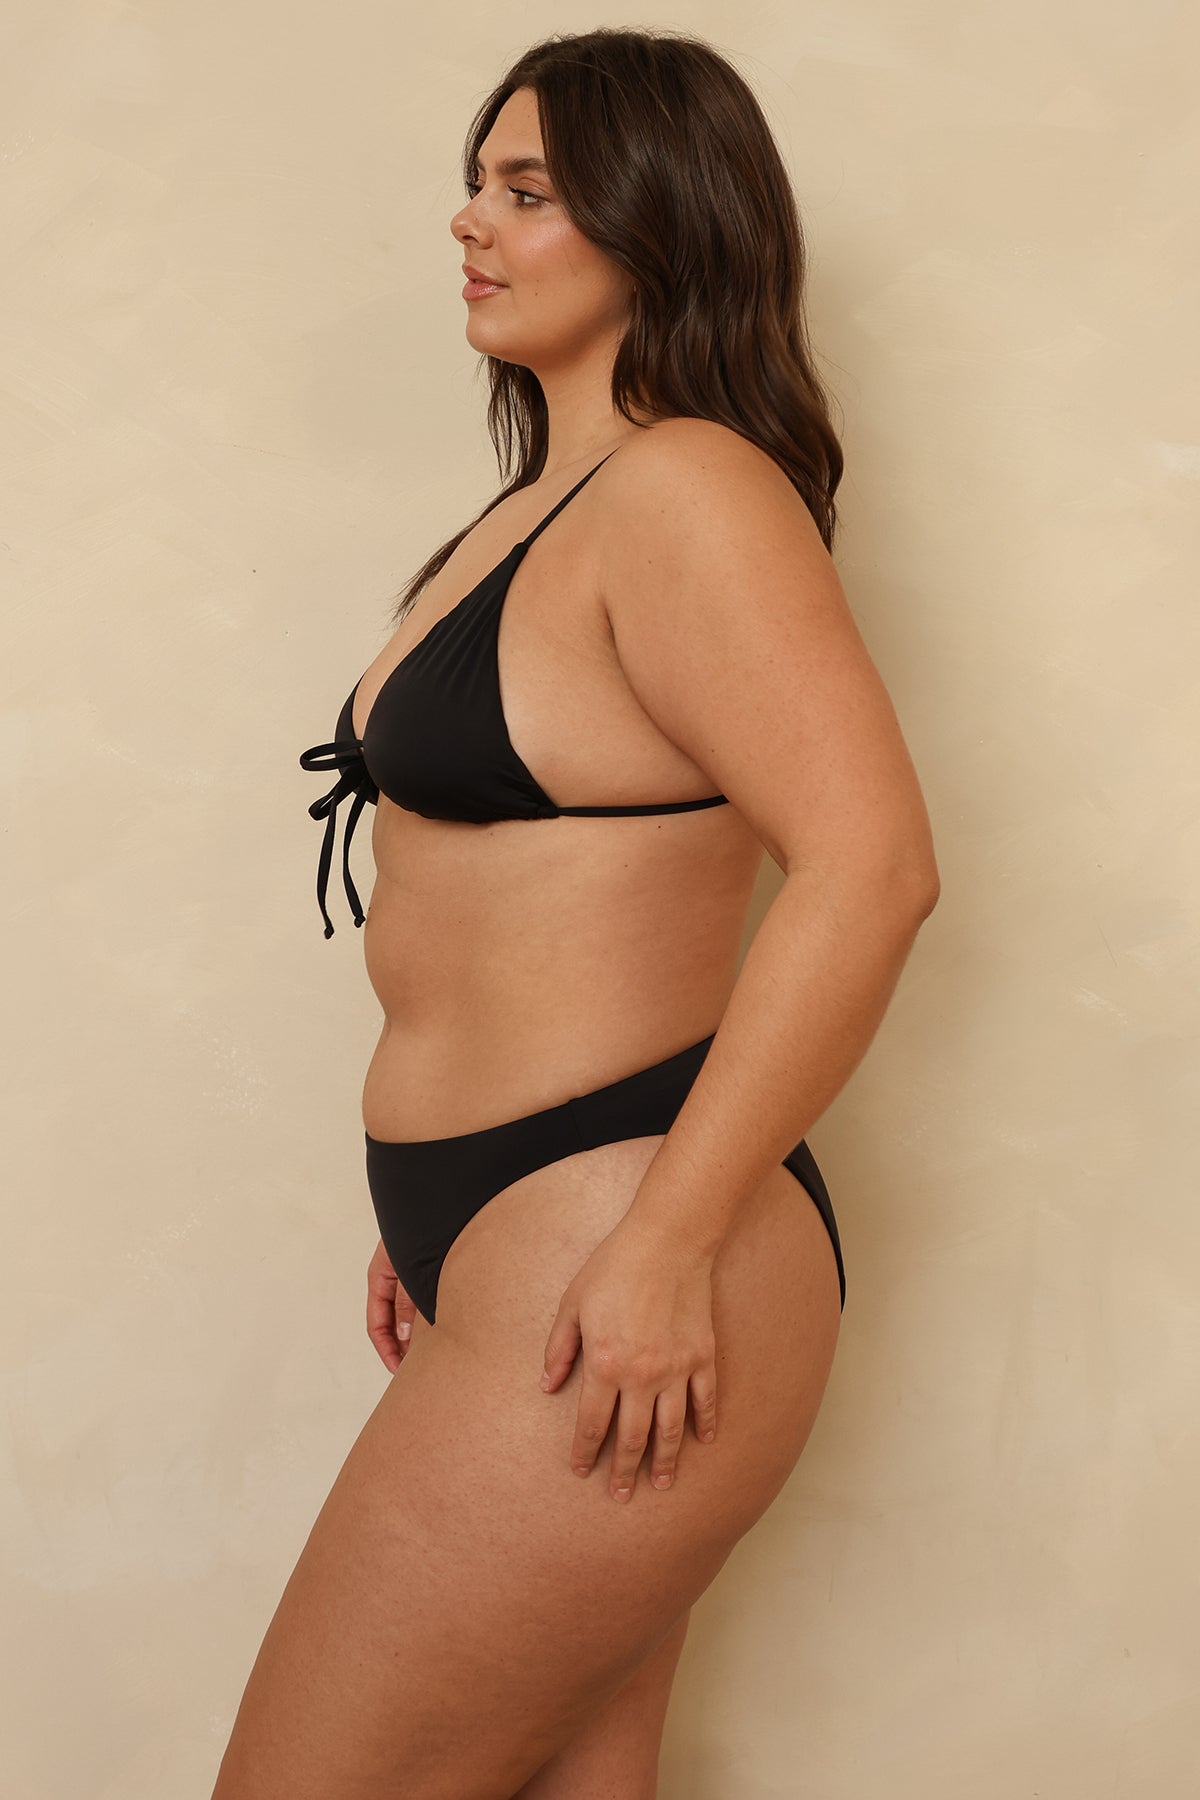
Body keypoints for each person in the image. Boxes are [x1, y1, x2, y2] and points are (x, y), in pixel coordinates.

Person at [212, 26, 939, 1800]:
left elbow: (873, 868)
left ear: (655, 221)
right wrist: (440, 1218)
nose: (471, 222)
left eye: (528, 191)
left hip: (624, 1220)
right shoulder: (538, 506)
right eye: (478, 183)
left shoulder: (690, 490)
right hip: (513, 1232)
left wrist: (667, 1242)